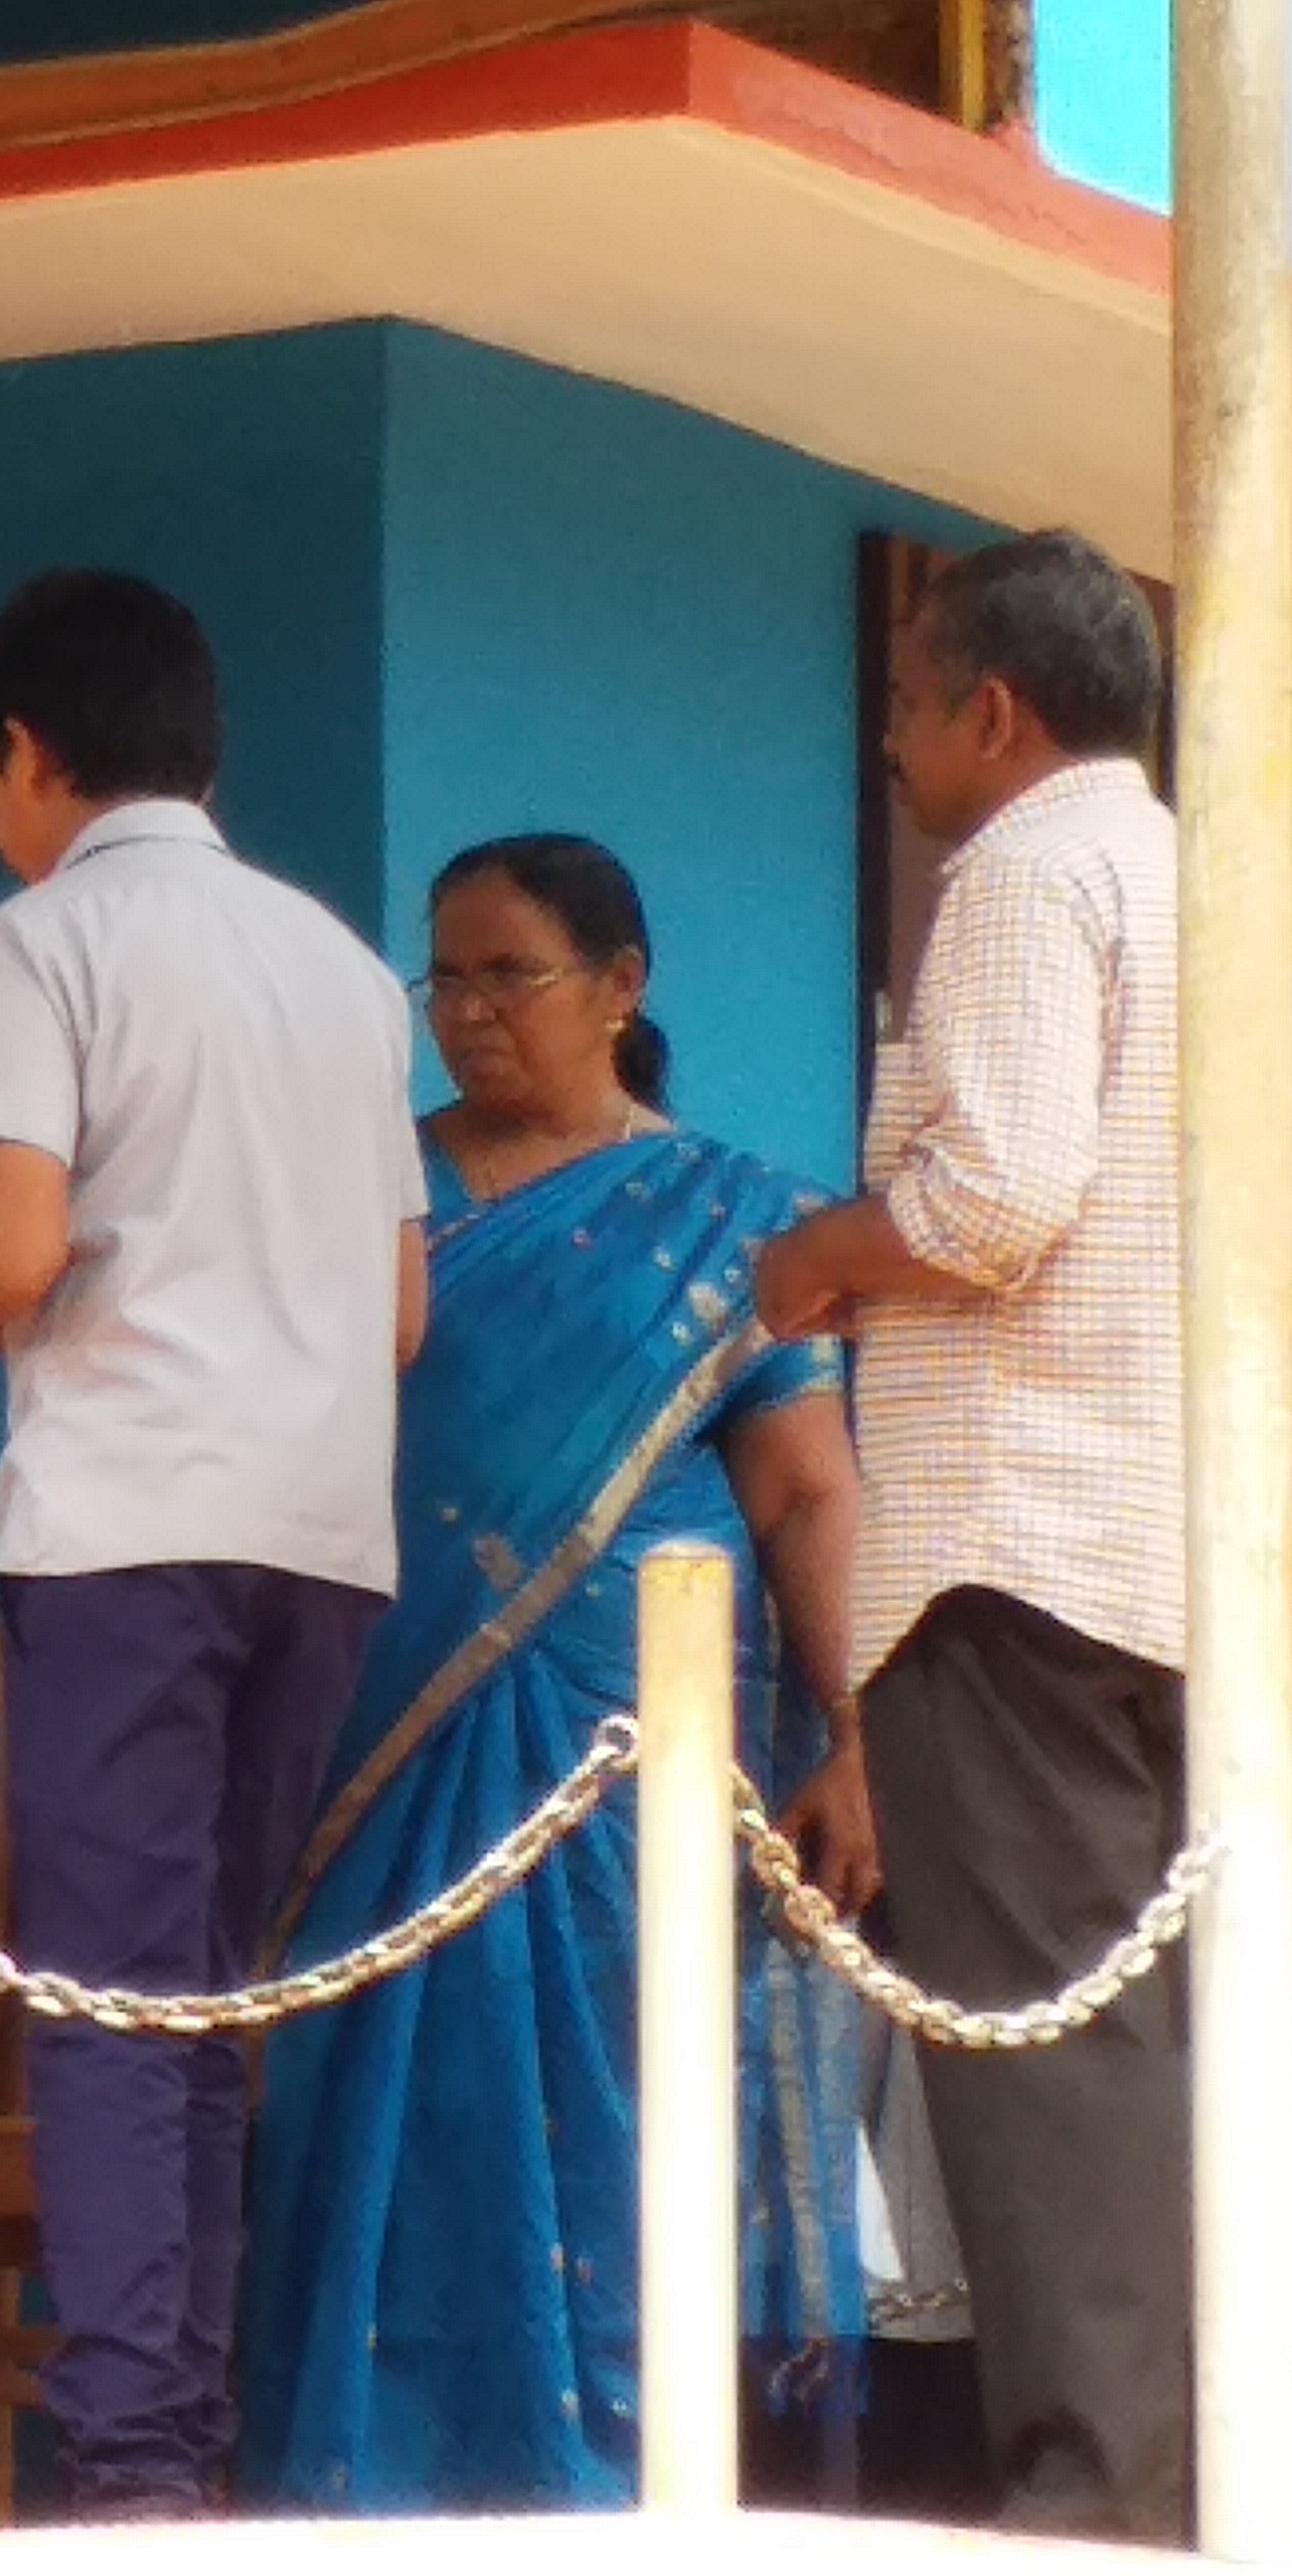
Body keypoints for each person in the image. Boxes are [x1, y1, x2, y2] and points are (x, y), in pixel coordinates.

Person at [0, 568, 423, 2522]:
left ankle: (131, 2461)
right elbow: (399, 1313)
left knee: (106, 1993)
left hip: (127, 1530)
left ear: (23, 753)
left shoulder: (41, 936)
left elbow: (8, 1256)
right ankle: (191, 2440)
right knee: (209, 2002)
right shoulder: (343, 970)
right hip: (318, 1531)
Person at [240, 834, 881, 2511]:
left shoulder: (737, 1220)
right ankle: (357, 2498)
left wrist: (855, 1732)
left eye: (507, 975)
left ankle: (616, 2487)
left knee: (612, 2098)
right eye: (441, 979)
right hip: (373, 1719)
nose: (465, 1012)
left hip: (627, 1742)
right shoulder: (371, 1196)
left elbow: (805, 1492)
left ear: (618, 986)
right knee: (372, 2094)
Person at [750, 529, 1191, 2544]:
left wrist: (817, 1259)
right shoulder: (1196, 872)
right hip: (1165, 1552)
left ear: (992, 711)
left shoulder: (1020, 871)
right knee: (1157, 2042)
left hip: (1008, 1554)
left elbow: (994, 1198)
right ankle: (1186, 2477)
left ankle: (1091, 2505)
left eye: (907, 708)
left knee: (1052, 2065)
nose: (892, 748)